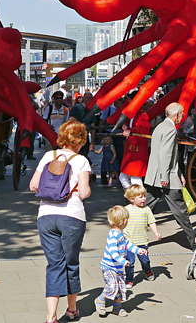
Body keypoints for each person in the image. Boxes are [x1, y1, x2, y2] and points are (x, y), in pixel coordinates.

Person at [30, 118, 92, 323]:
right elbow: (83, 192)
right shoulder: (81, 160)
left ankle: (51, 316)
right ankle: (72, 309)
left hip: (46, 216)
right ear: (79, 141)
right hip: (72, 217)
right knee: (71, 262)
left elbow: (33, 186)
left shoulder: (49, 155)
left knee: (54, 264)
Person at [144, 102, 196, 250]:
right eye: (181, 114)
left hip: (155, 175)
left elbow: (167, 155)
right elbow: (166, 155)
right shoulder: (169, 129)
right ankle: (194, 242)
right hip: (165, 176)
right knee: (180, 211)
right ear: (177, 115)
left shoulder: (160, 127)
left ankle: (129, 237)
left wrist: (178, 174)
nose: (182, 117)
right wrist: (165, 177)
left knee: (146, 209)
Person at [95, 205, 148, 318]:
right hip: (109, 266)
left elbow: (128, 245)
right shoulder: (113, 236)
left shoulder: (120, 235)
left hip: (118, 268)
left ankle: (117, 308)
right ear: (124, 221)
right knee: (112, 286)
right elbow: (113, 253)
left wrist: (139, 250)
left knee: (120, 288)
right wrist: (123, 261)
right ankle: (100, 300)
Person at [123, 184, 161, 288]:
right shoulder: (126, 209)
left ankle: (147, 270)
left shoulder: (146, 209)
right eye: (140, 197)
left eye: (144, 196)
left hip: (142, 242)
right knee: (129, 262)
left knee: (145, 260)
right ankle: (129, 279)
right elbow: (121, 222)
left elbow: (152, 222)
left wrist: (156, 232)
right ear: (132, 198)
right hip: (129, 241)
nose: (144, 198)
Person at [119, 101, 152, 189]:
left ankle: (138, 197)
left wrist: (130, 131)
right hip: (130, 149)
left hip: (138, 150)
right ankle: (133, 195)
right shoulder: (132, 114)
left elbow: (145, 130)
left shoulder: (142, 115)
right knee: (123, 177)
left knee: (135, 179)